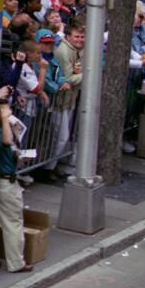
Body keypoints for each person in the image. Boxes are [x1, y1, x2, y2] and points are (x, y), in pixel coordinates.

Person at [0, 102, 33, 274]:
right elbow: (6, 141)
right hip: (4, 183)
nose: (10, 112)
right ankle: (16, 262)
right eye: (6, 109)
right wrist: (5, 119)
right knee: (12, 222)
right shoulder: (0, 129)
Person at [52, 20, 84, 177]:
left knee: (64, 136)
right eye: (77, 37)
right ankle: (49, 168)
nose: (80, 40)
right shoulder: (64, 51)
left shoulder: (80, 50)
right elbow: (67, 78)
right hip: (59, 100)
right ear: (69, 37)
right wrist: (86, 75)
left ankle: (56, 165)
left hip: (70, 99)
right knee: (61, 136)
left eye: (82, 37)